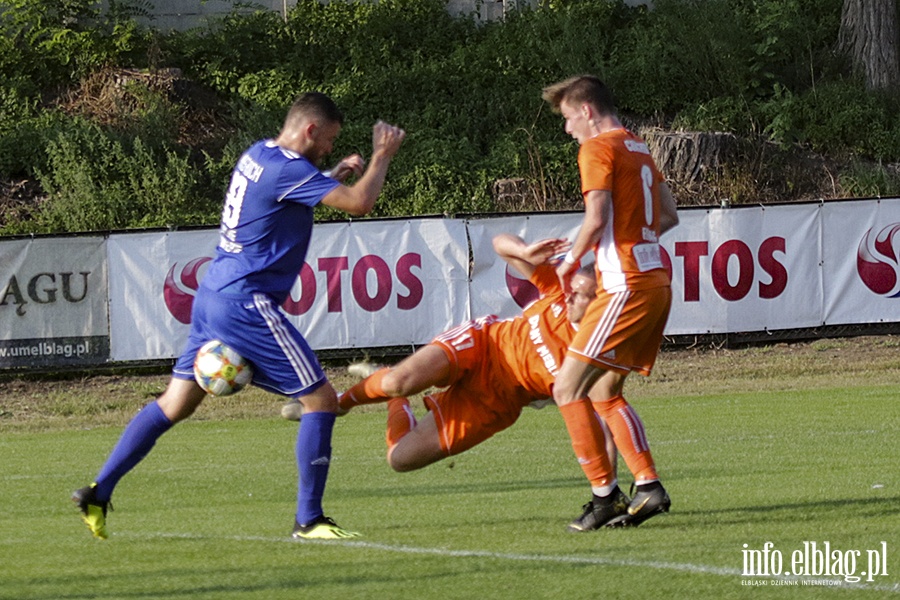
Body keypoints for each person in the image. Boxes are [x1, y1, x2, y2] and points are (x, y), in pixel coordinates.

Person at [72, 92, 405, 540]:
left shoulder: (259, 154)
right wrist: (382, 156)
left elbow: (280, 199)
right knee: (321, 401)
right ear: (309, 130)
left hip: (213, 296)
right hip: (247, 304)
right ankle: (309, 519)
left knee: (175, 404)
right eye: (327, 140)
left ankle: (98, 489)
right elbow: (360, 203)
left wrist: (330, 175)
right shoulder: (289, 167)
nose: (328, 148)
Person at [304, 234, 611, 474]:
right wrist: (525, 251)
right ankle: (341, 402)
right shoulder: (558, 292)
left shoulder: (594, 354)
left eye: (582, 294)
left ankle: (395, 403)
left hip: (494, 402)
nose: (570, 294)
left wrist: (607, 490)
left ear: (600, 305)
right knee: (399, 380)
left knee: (399, 459)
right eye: (573, 287)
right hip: (483, 344)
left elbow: (605, 423)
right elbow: (499, 243)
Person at [541, 75, 680, 532]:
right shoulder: (638, 147)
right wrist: (634, 240)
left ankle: (605, 496)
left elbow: (597, 217)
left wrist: (572, 260)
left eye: (566, 118)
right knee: (603, 390)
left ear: (586, 110)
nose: (566, 129)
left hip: (625, 286)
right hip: (655, 279)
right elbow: (668, 215)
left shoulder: (597, 148)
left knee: (566, 387)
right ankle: (647, 486)